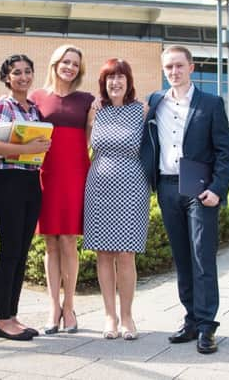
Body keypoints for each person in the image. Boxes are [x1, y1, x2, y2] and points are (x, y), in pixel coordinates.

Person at [140, 45, 229, 354]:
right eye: (169, 67)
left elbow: (224, 153)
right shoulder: (155, 102)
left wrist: (218, 189)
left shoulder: (211, 104)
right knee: (181, 258)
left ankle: (207, 325)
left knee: (201, 258)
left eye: (179, 66)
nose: (174, 72)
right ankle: (191, 319)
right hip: (167, 188)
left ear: (191, 67)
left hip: (200, 190)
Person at [0, 54, 51, 341]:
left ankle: (13, 316)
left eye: (27, 72)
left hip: (31, 182)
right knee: (10, 252)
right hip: (7, 182)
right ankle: (1, 320)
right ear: (7, 77)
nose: (23, 77)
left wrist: (41, 146)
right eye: (16, 72)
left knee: (21, 252)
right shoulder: (3, 105)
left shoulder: (33, 110)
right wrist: (24, 149)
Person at [84, 59, 149, 340]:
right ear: (103, 82)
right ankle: (109, 316)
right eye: (110, 77)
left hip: (133, 186)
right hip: (99, 185)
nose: (115, 82)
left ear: (129, 81)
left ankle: (127, 317)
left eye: (121, 77)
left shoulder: (142, 110)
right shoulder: (95, 111)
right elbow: (85, 144)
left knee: (125, 253)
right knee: (103, 252)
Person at [30, 45, 94, 334]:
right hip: (46, 174)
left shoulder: (87, 100)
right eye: (65, 61)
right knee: (50, 242)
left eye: (75, 64)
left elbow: (93, 138)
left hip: (75, 174)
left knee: (69, 240)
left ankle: (70, 307)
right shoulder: (36, 98)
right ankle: (53, 307)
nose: (69, 67)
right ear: (55, 63)